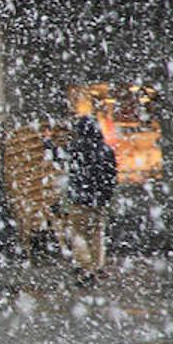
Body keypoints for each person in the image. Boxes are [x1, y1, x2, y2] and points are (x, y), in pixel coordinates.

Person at [61, 115, 117, 284]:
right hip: (98, 200)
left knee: (79, 234)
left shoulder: (75, 149)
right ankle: (97, 265)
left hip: (79, 200)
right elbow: (111, 176)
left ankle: (85, 267)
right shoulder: (106, 150)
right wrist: (105, 195)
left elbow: (72, 174)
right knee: (97, 233)